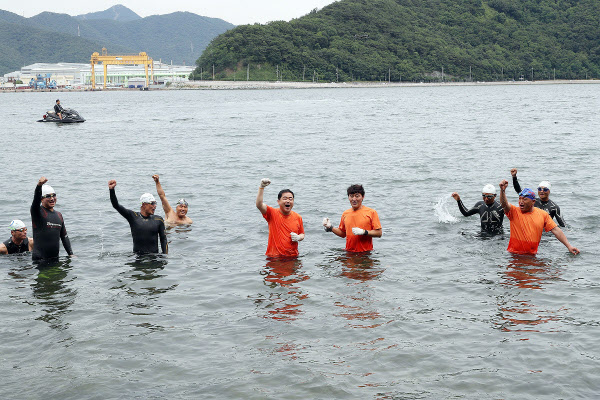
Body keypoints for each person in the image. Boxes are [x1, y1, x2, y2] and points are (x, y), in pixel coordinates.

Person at [499, 180, 578, 255]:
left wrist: (569, 246)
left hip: (532, 255)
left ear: (533, 202)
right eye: (520, 199)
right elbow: (504, 204)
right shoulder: (514, 211)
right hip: (514, 255)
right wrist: (502, 191)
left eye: (525, 199)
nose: (521, 202)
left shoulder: (543, 214)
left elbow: (556, 230)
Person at [108, 179, 168, 254]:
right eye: (152, 203)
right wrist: (111, 190)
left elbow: (163, 240)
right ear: (144, 204)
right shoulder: (133, 217)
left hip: (154, 259)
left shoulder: (158, 220)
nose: (155, 206)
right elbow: (116, 205)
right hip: (138, 258)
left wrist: (165, 258)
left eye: (155, 203)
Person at [323, 184, 382, 252]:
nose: (354, 199)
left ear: (363, 197)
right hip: (349, 252)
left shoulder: (371, 212)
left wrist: (364, 232)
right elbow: (343, 233)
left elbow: (379, 233)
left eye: (357, 196)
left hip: (365, 253)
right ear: (348, 197)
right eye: (351, 196)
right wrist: (330, 227)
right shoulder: (345, 213)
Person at [255, 178, 304, 257]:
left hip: (293, 257)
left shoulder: (298, 217)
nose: (288, 201)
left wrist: (298, 237)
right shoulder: (272, 213)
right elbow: (259, 205)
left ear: (293, 202)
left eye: (290, 199)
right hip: (275, 258)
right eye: (285, 198)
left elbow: (302, 234)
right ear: (278, 202)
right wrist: (261, 187)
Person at [30, 177, 74, 262]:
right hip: (40, 260)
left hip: (55, 259)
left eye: (54, 195)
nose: (52, 198)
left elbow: (64, 237)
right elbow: (35, 201)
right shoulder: (38, 212)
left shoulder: (59, 215)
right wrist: (39, 185)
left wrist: (71, 254)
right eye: (48, 196)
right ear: (41, 199)